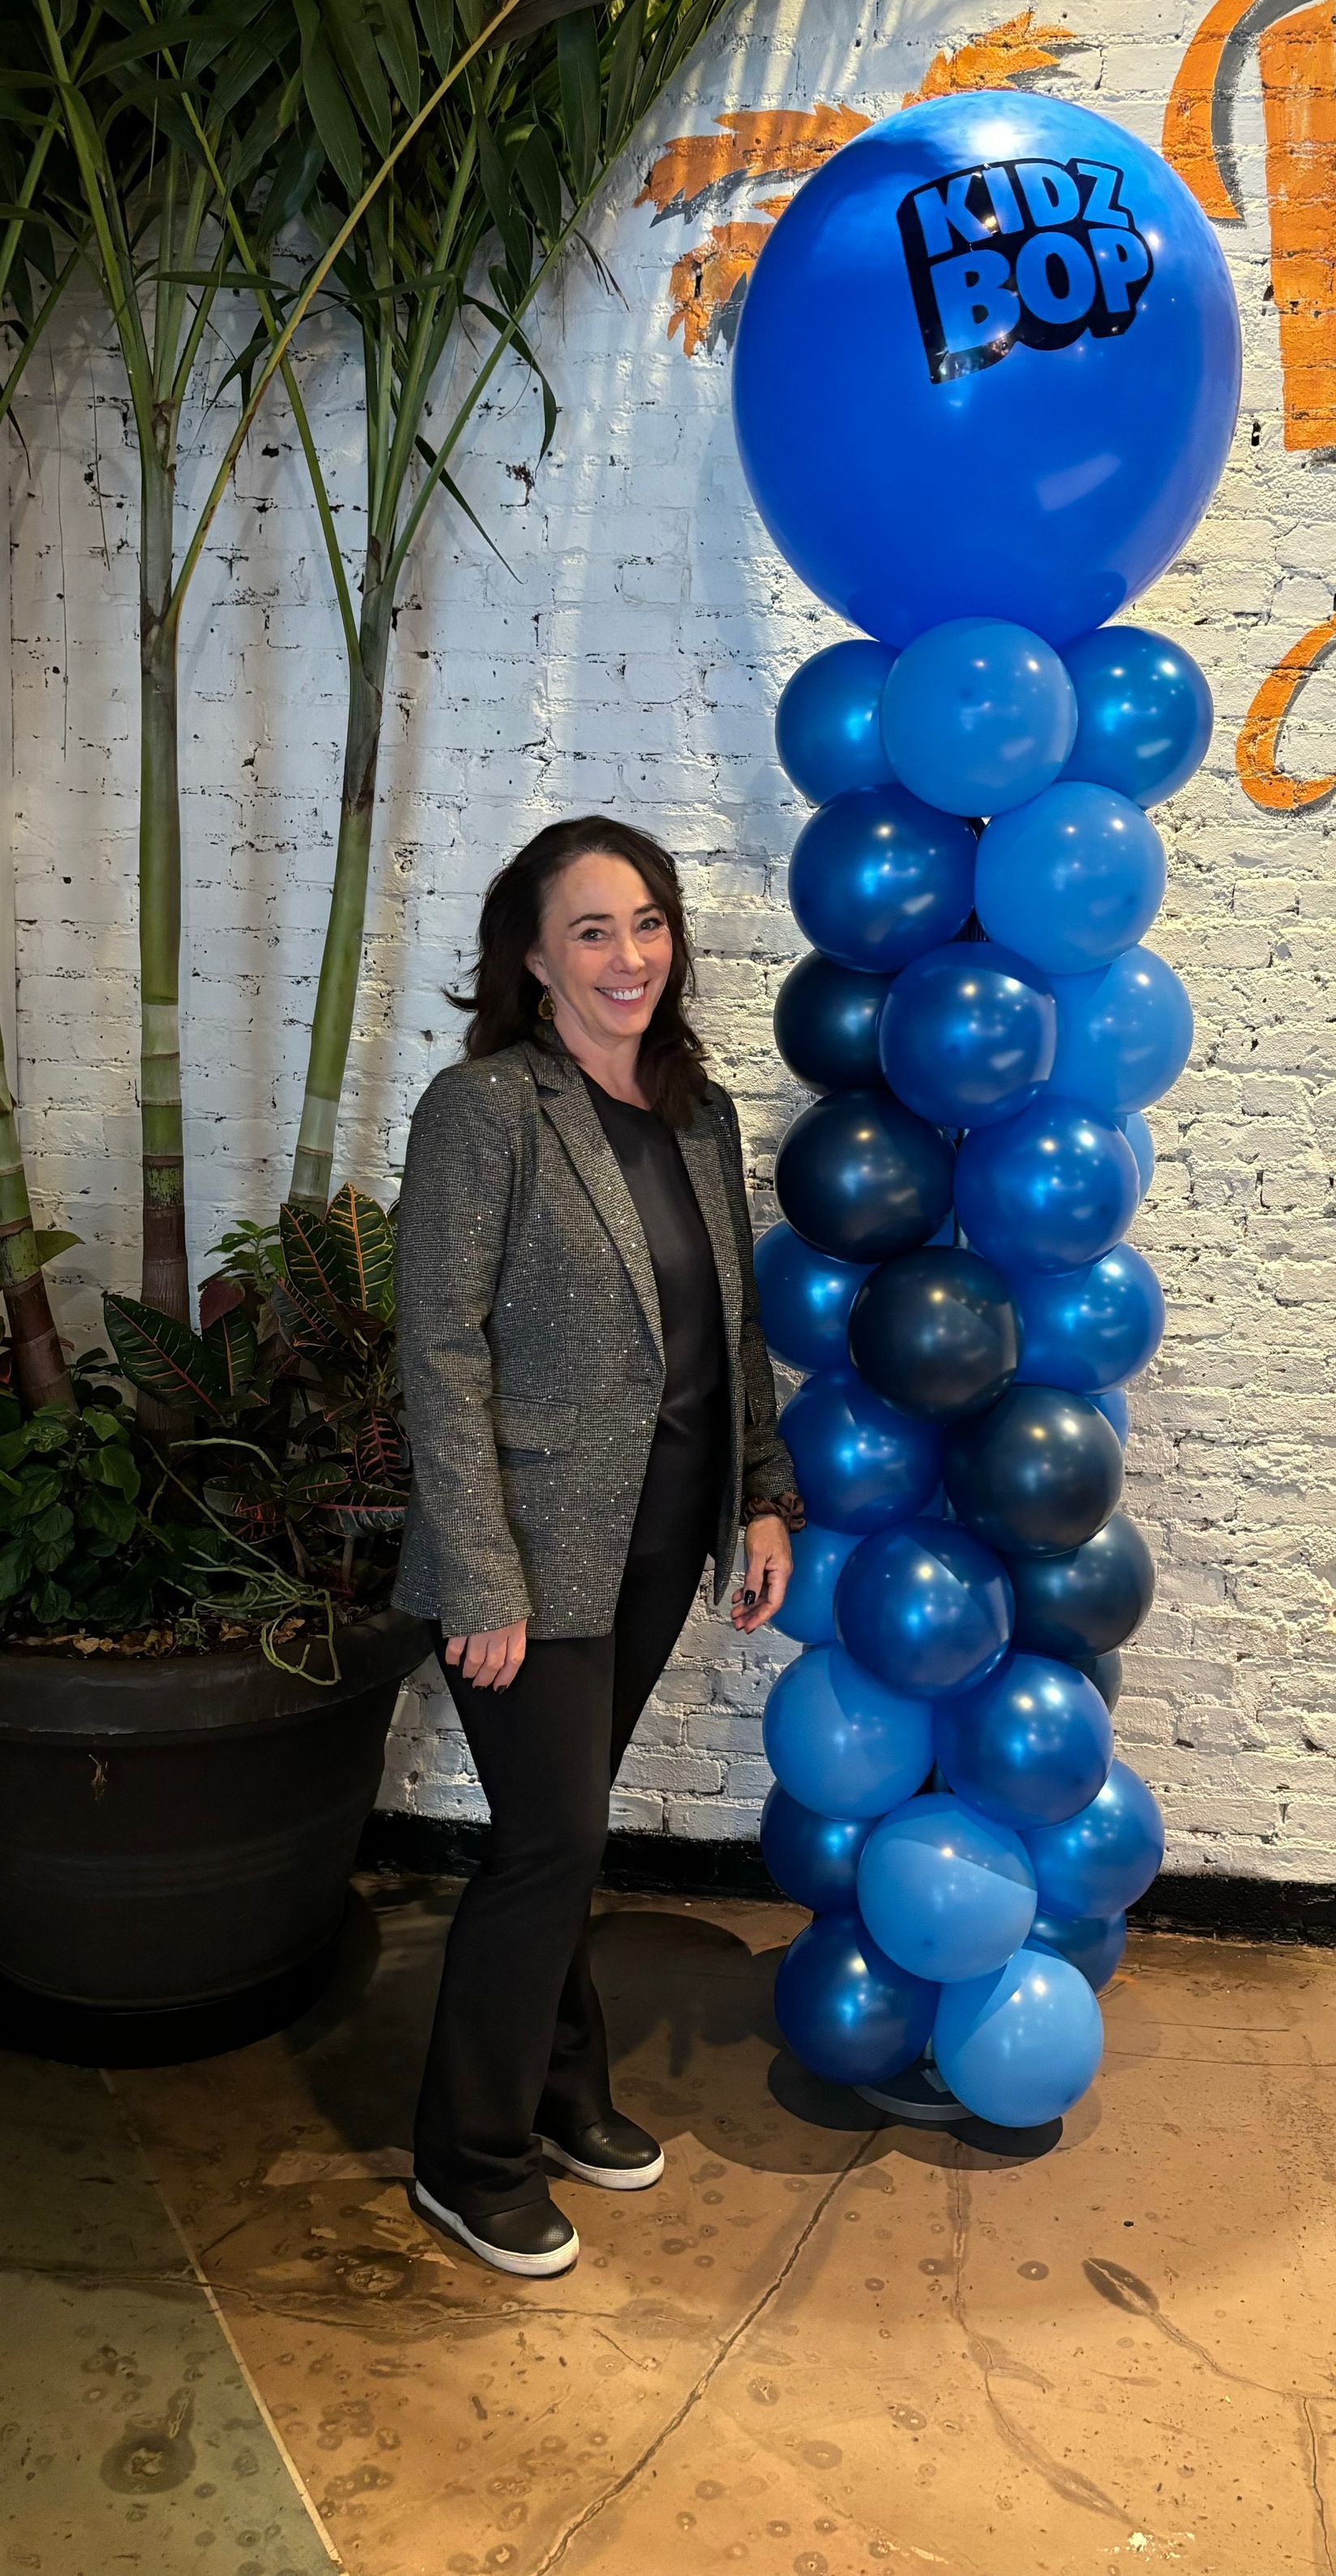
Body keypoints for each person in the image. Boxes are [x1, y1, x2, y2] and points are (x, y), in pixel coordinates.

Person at [392, 815, 800, 2278]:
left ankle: (565, 2091)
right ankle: (469, 2154)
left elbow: (733, 1329)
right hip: (529, 1553)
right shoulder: (488, 1109)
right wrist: (481, 1577)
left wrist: (761, 1491)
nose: (629, 957)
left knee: (560, 1837)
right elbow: (437, 1352)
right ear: (532, 955)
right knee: (550, 1844)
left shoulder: (698, 1113)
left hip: (655, 1536)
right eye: (591, 930)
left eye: (648, 923)